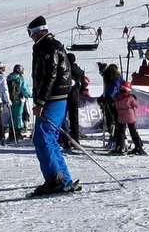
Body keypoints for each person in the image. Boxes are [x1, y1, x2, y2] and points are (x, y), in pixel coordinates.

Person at [28, 16, 77, 194]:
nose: (31, 37)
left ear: (39, 31)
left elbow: (50, 75)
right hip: (58, 97)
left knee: (42, 139)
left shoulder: (48, 47)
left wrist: (40, 101)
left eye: (31, 33)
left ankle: (54, 180)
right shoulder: (50, 46)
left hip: (52, 98)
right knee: (50, 138)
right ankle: (63, 178)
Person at [109, 79, 144, 155]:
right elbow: (136, 105)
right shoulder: (130, 98)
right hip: (130, 117)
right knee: (133, 132)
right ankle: (139, 146)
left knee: (121, 133)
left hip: (121, 117)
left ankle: (119, 147)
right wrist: (135, 99)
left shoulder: (116, 97)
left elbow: (113, 105)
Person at [62, 53, 88, 152]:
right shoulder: (80, 71)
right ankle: (76, 140)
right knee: (74, 119)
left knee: (63, 118)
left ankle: (64, 140)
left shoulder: (65, 69)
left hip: (65, 96)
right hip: (75, 96)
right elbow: (83, 84)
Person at [7, 64, 31, 141]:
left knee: (12, 116)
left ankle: (11, 133)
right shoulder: (20, 79)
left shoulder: (8, 79)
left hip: (10, 100)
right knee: (18, 116)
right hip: (19, 100)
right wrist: (32, 95)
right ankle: (17, 133)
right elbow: (25, 91)